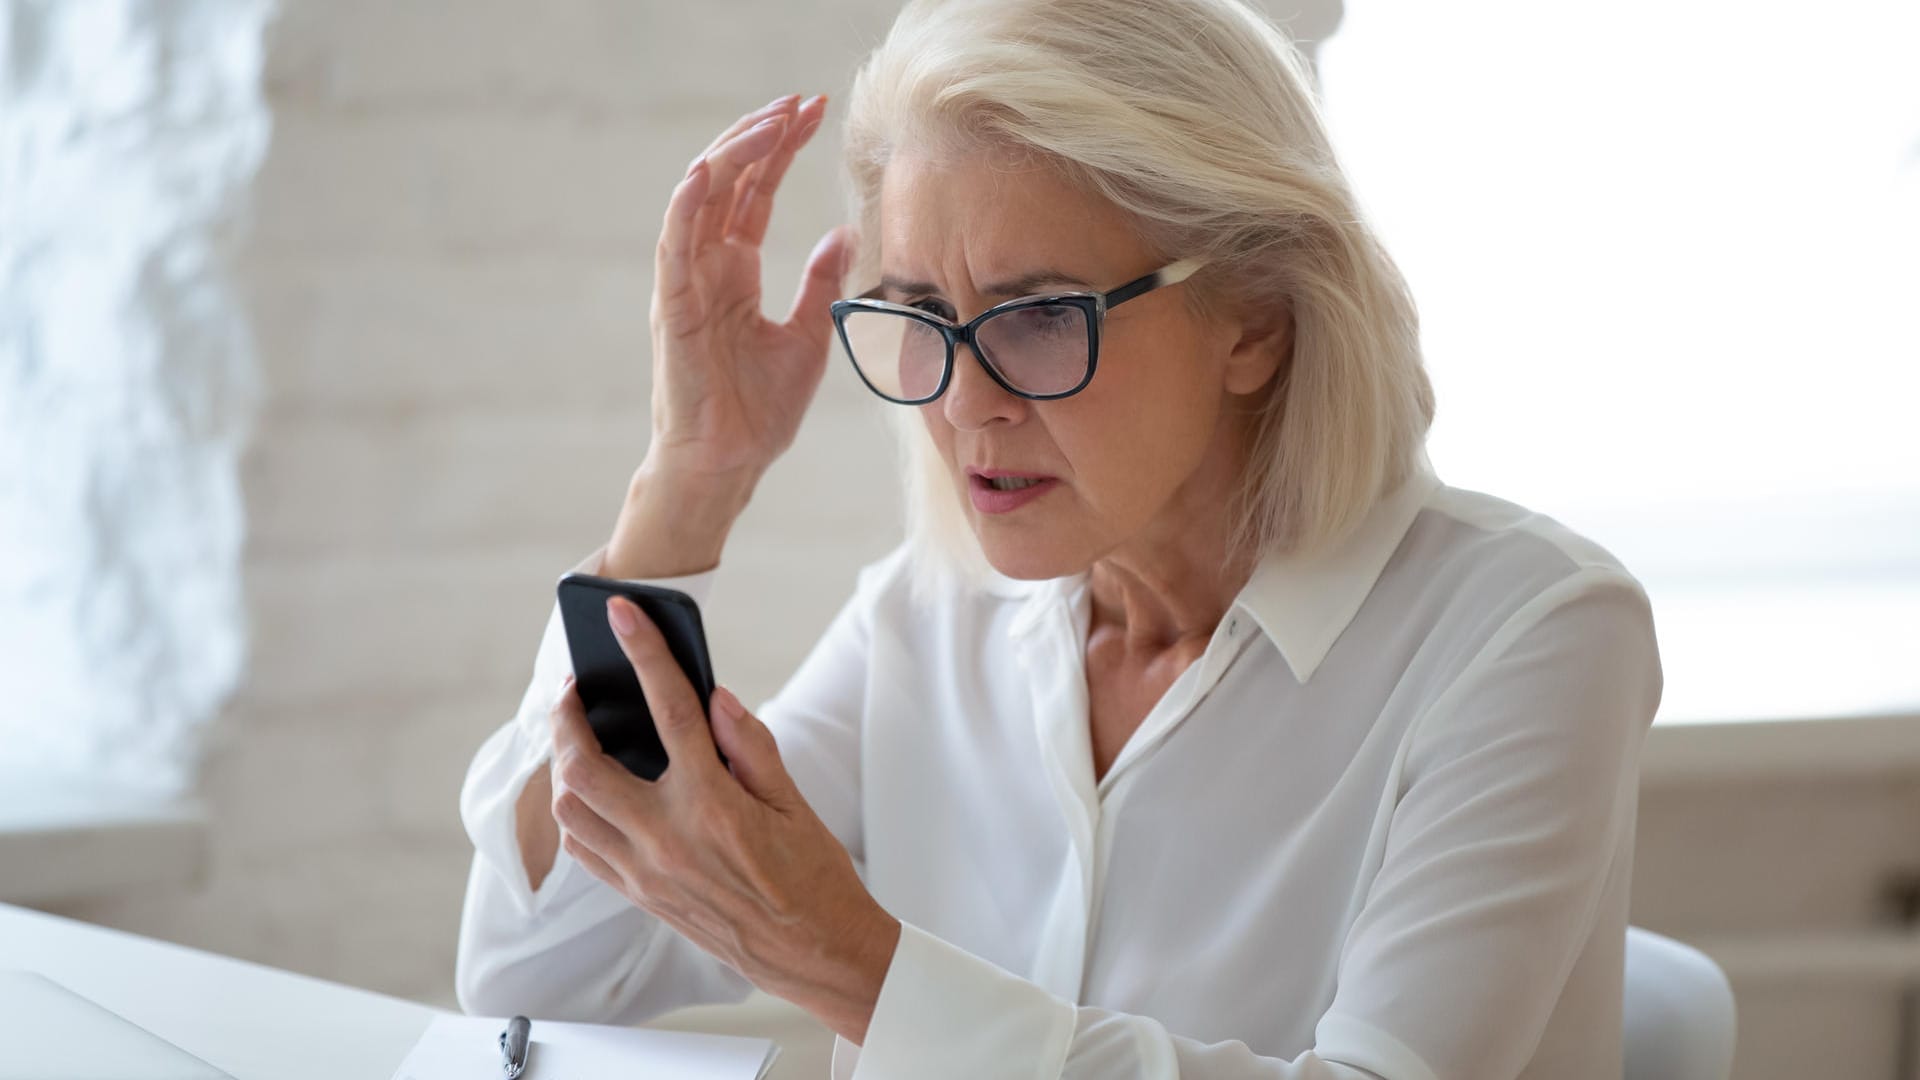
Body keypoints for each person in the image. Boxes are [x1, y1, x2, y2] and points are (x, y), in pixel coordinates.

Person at [453, 0, 1664, 1076]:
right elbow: (543, 972)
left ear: (1254, 320)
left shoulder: (1528, 636)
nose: (964, 401)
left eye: (1037, 316)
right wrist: (690, 481)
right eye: (925, 313)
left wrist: (860, 971)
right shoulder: (927, 624)